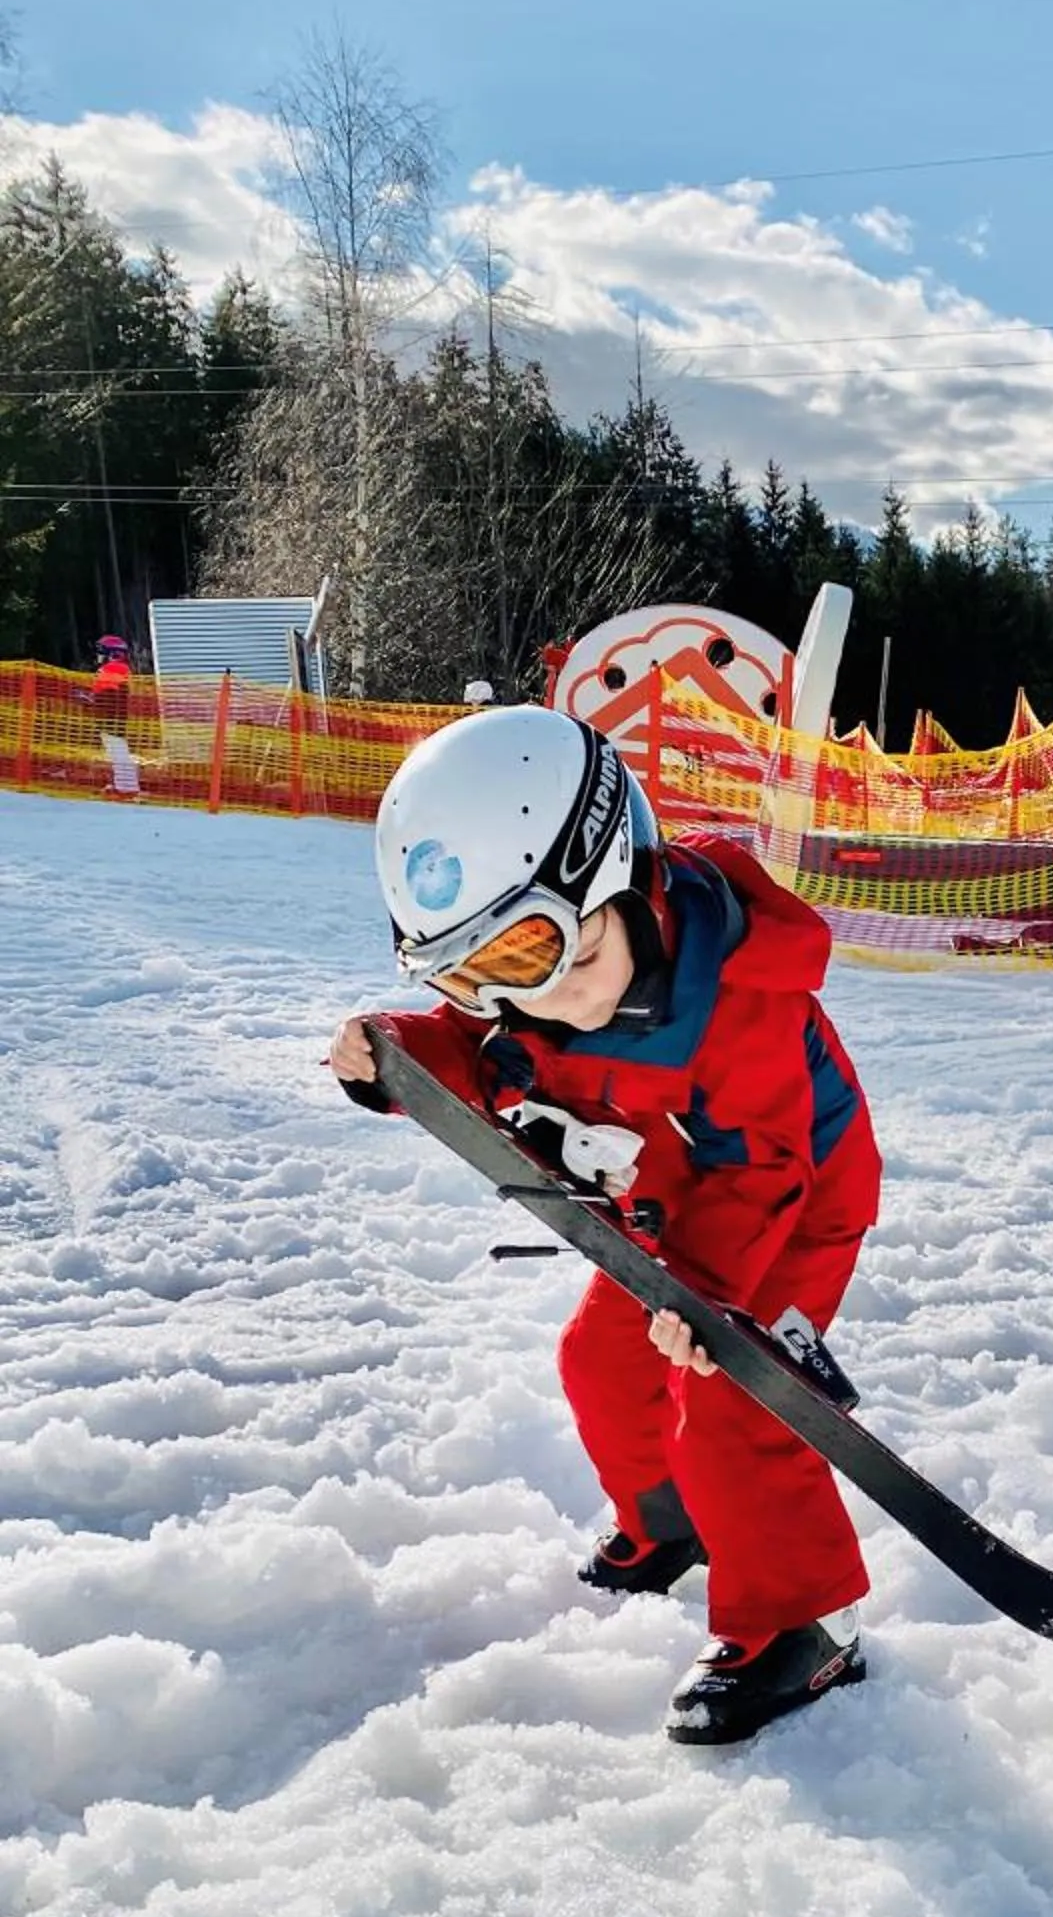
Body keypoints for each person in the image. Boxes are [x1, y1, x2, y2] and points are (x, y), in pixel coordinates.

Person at [327, 704, 882, 1747]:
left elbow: (765, 1171)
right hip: (669, 1205)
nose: (545, 1003)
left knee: (728, 1400)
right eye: (476, 974)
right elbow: (477, 1053)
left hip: (796, 1201)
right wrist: (395, 1052)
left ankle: (802, 1623)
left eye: (550, 954)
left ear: (622, 875)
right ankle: (669, 1518)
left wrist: (707, 1306)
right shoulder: (538, 995)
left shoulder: (741, 1004)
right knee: (599, 1361)